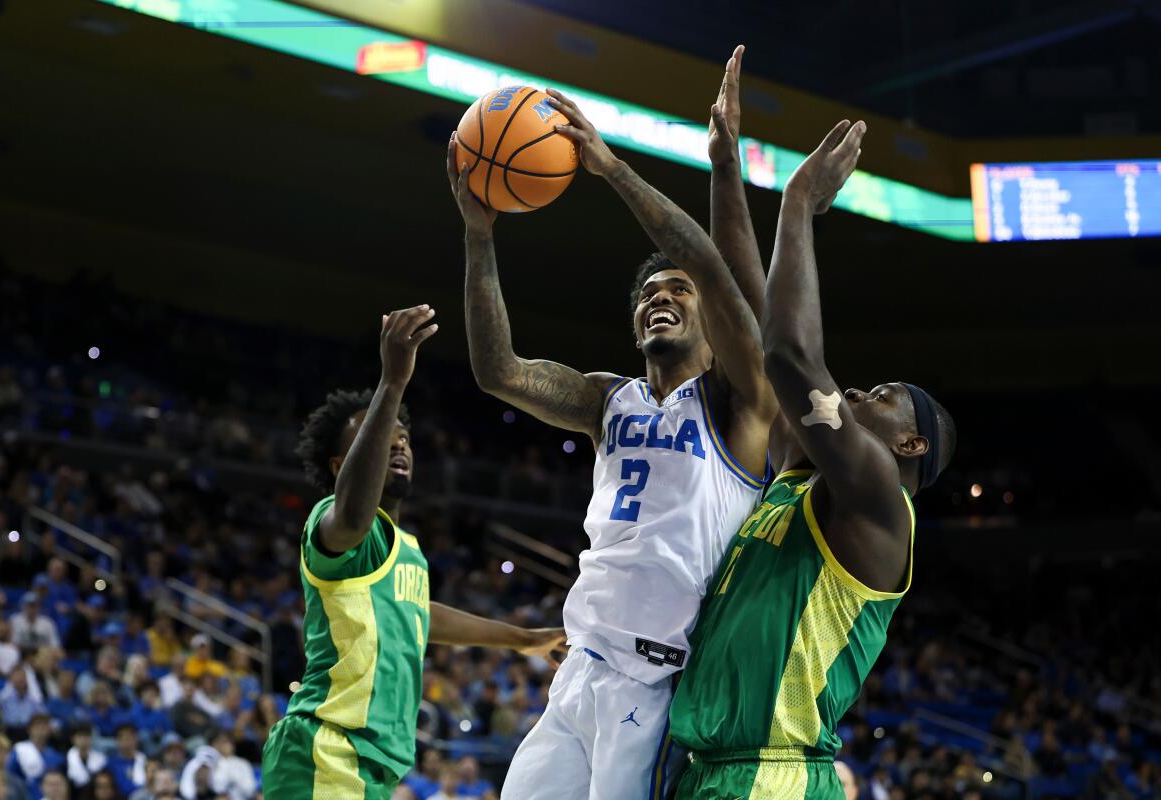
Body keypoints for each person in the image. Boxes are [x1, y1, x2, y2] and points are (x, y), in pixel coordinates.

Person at [449, 80, 776, 798]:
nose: (662, 297)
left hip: (658, 681)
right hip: (580, 668)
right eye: (650, 294)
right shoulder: (607, 398)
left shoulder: (739, 402)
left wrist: (611, 168)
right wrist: (480, 235)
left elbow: (711, 263)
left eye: (679, 291)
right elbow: (499, 372)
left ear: (712, 317)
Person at [666, 51, 956, 800]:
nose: (857, 390)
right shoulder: (803, 477)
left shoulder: (880, 504)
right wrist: (725, 165)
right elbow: (750, 315)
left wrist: (799, 203)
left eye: (882, 395)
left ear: (909, 444)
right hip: (709, 774)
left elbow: (791, 355)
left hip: (776, 778)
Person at [262, 306, 566, 800]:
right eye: (381, 437)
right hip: (325, 749)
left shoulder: (405, 547)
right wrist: (392, 384)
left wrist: (522, 639)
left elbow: (418, 613)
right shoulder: (331, 521)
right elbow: (353, 517)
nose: (397, 444)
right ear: (341, 466)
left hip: (372, 765)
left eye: (403, 437)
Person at [8, 714, 64, 798]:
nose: (40, 730)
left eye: (44, 726)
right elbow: (11, 777)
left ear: (49, 729)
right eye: (37, 726)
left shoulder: (56, 756)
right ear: (29, 729)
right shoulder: (20, 751)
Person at [0, 668, 43, 738]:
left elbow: (42, 714)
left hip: (27, 731)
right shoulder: (3, 698)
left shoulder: (33, 699)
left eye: (22, 677)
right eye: (17, 676)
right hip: (10, 731)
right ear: (11, 680)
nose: (20, 679)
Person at [105, 726, 146, 798]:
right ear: (117, 741)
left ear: (136, 739)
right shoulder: (111, 763)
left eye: (130, 738)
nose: (127, 742)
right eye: (124, 738)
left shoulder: (144, 760)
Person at [64, 725, 106, 791]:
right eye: (80, 736)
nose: (83, 740)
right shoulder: (65, 759)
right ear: (73, 739)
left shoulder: (101, 759)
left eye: (86, 736)